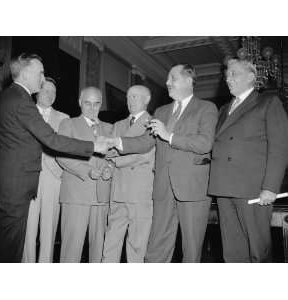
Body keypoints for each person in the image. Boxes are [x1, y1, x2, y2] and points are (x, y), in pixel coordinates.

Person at [0, 53, 108, 263]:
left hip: (3, 184)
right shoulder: (22, 101)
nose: (42, 79)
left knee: (1, 244)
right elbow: (51, 139)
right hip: (18, 186)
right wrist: (93, 146)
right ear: (25, 74)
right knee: (11, 249)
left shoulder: (1, 98)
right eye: (40, 73)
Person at [109, 64, 218, 262]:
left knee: (191, 249)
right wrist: (117, 142)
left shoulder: (206, 108)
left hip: (192, 188)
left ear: (188, 80)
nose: (167, 82)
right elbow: (145, 142)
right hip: (163, 187)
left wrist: (170, 136)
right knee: (157, 246)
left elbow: (205, 143)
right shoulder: (161, 111)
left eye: (172, 78)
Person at [208, 58, 288, 263]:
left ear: (251, 77)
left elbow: (280, 147)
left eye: (234, 73)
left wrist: (270, 187)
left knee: (257, 249)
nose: (228, 78)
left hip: (252, 188)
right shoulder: (224, 109)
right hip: (224, 187)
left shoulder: (268, 102)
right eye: (227, 74)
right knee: (233, 250)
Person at [57, 87, 112, 263]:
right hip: (76, 195)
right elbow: (61, 154)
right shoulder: (68, 124)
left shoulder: (110, 129)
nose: (92, 108)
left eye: (96, 104)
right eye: (87, 103)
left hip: (102, 196)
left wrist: (109, 168)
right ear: (80, 103)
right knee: (71, 250)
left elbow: (114, 158)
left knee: (100, 250)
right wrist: (86, 170)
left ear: (101, 104)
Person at [101, 85, 155, 263]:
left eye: (135, 97)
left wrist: (117, 159)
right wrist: (111, 161)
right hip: (118, 191)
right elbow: (107, 153)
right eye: (129, 96)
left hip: (140, 193)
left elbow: (146, 155)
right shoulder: (118, 125)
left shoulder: (154, 124)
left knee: (137, 245)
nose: (130, 100)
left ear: (147, 100)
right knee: (110, 242)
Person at [22, 77, 69, 263]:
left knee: (49, 229)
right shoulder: (25, 113)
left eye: (53, 92)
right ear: (37, 92)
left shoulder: (64, 118)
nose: (50, 95)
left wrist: (60, 173)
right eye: (46, 91)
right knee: (28, 229)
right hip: (27, 178)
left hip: (53, 178)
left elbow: (67, 149)